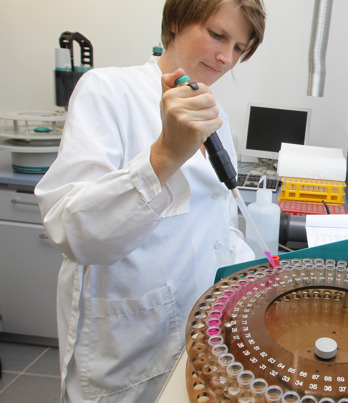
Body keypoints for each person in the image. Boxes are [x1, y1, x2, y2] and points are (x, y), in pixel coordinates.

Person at [34, 0, 266, 401]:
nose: (226, 58)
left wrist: (257, 280)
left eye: (239, 48)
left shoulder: (216, 116)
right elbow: (73, 233)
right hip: (126, 353)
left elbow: (218, 226)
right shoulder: (108, 91)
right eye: (217, 35)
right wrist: (164, 157)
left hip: (197, 342)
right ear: (176, 21)